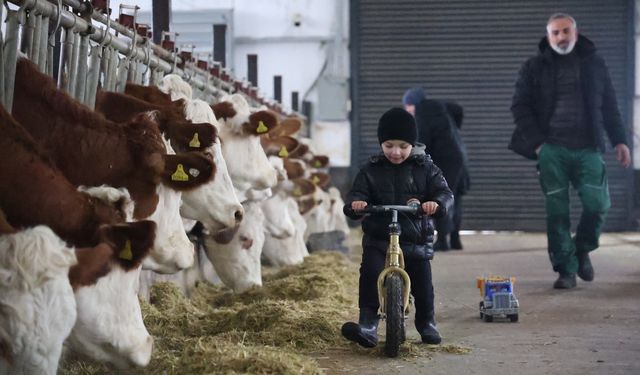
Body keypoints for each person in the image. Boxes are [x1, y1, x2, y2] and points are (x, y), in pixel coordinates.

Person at [509, 13, 631, 289]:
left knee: (598, 204)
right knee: (557, 211)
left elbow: (610, 105)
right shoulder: (534, 67)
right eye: (555, 33)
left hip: (588, 148)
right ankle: (565, 269)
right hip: (552, 149)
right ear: (548, 36)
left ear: (576, 33)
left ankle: (582, 248)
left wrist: (620, 141)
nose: (561, 37)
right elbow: (519, 106)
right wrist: (538, 143)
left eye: (566, 31)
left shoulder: (594, 64)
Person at [341, 107, 453, 347]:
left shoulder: (427, 169)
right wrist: (357, 204)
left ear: (413, 144)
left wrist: (436, 204)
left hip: (415, 239)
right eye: (389, 145)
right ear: (381, 143)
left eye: (403, 146)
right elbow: (356, 194)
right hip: (379, 239)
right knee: (370, 273)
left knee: (422, 282)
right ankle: (368, 324)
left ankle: (427, 322)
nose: (396, 152)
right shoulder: (370, 170)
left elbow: (445, 193)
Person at [403, 88, 466, 250]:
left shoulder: (423, 113)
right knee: (454, 197)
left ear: (414, 104)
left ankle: (443, 241)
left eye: (408, 106)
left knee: (440, 196)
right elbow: (458, 111)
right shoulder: (441, 110)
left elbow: (423, 140)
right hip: (458, 158)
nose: (407, 110)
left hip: (444, 161)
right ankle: (455, 239)